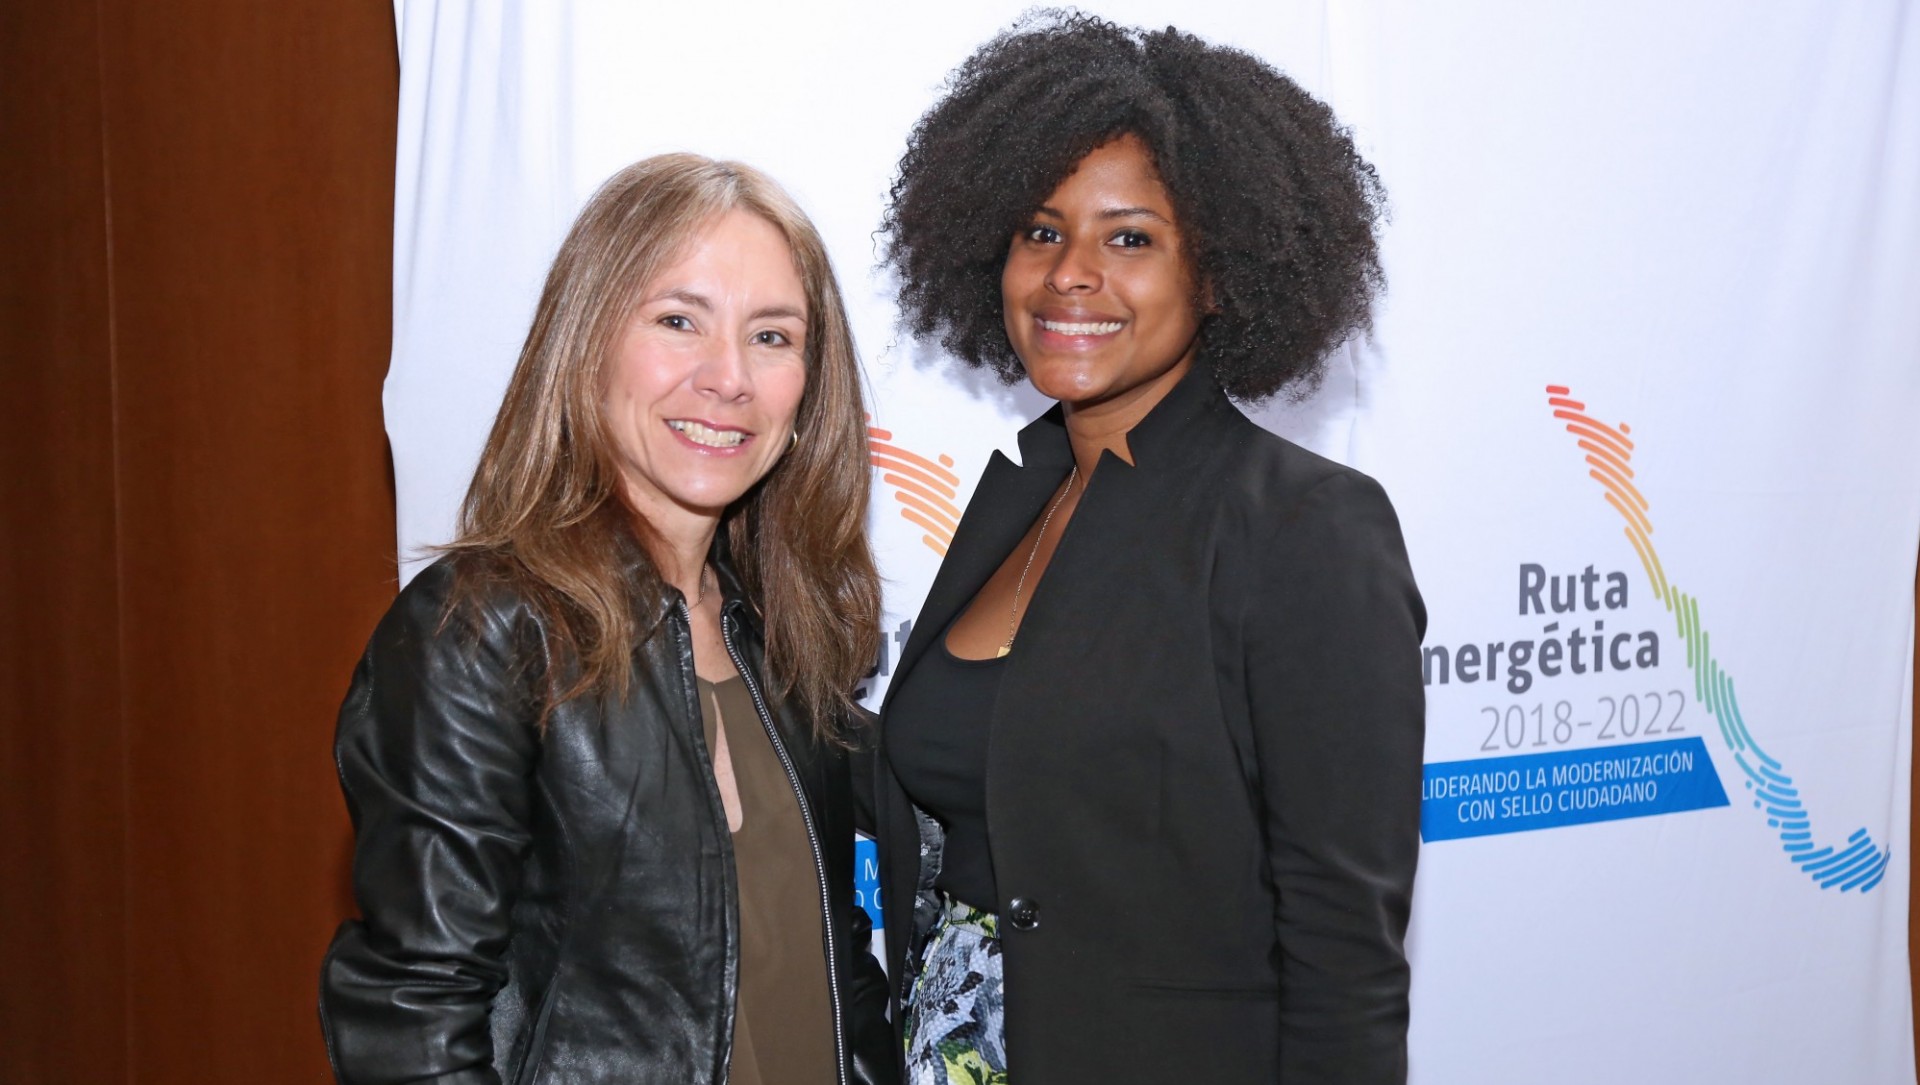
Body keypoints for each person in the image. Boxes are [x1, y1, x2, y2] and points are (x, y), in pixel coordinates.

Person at [871, 14, 1426, 1084]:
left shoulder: (1304, 527)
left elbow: (1345, 956)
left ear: (1220, 274)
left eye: (1130, 237)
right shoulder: (1018, 498)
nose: (1071, 275)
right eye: (1040, 231)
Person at [320, 154, 897, 1085]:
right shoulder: (482, 631)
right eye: (678, 321)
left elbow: (843, 974)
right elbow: (412, 1016)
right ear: (586, 341)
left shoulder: (788, 637)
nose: (729, 378)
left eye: (773, 337)